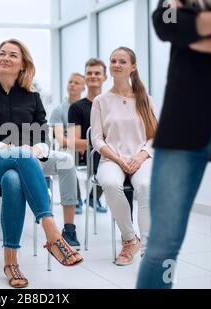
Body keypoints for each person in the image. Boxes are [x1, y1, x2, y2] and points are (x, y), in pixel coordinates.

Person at [137, 0, 211, 289]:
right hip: (184, 119)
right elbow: (169, 23)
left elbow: (184, 29)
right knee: (163, 243)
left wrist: (195, 32)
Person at [0, 38, 83, 288]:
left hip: (20, 165)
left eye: (12, 55)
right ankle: (52, 232)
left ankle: (11, 263)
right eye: (2, 53)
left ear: (23, 65)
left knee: (13, 179)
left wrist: (32, 150)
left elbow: (44, 140)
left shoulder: (32, 97)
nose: (5, 58)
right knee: (21, 157)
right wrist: (13, 149)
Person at [91, 47, 156, 265]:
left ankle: (148, 251)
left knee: (145, 187)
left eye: (122, 61)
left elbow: (155, 137)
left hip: (141, 158)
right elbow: (97, 140)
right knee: (109, 183)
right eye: (113, 61)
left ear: (133, 67)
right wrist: (119, 160)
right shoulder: (101, 100)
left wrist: (141, 156)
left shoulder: (146, 99)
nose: (116, 65)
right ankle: (130, 240)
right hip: (112, 159)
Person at [68, 58, 109, 213]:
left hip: (108, 155)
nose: (93, 76)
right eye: (89, 73)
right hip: (88, 155)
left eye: (97, 73)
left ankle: (93, 197)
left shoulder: (111, 103)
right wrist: (99, 143)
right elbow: (73, 142)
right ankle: (84, 197)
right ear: (85, 78)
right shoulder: (76, 108)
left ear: (105, 77)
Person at [49, 72, 86, 214]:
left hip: (85, 147)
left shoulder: (89, 106)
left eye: (77, 83)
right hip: (68, 148)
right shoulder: (59, 110)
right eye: (70, 82)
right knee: (67, 157)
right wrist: (77, 146)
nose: (72, 85)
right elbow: (60, 139)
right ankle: (74, 199)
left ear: (84, 87)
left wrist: (82, 145)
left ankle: (93, 197)